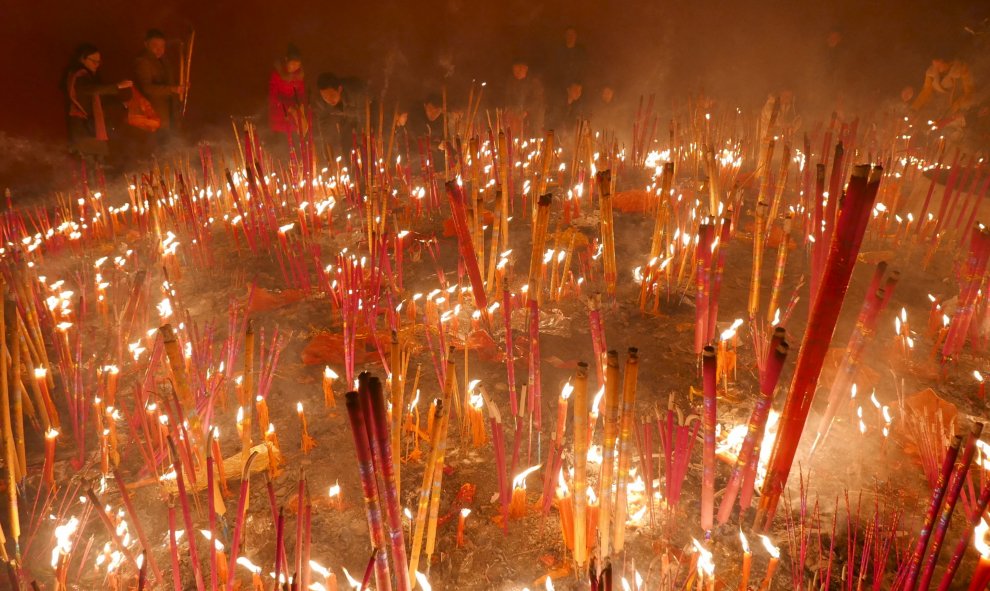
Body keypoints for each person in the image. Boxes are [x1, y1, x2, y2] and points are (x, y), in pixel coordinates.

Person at [64, 44, 133, 163]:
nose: (96, 64)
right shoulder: (78, 76)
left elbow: (102, 99)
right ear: (82, 59)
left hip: (93, 127)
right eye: (93, 61)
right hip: (82, 127)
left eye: (99, 61)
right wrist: (117, 86)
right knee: (86, 163)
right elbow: (92, 90)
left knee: (98, 163)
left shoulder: (93, 76)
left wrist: (122, 104)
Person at [134, 29, 181, 143]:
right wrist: (172, 89)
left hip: (167, 116)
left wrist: (179, 87)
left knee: (168, 147)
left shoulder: (164, 61)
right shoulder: (143, 61)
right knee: (156, 150)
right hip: (152, 116)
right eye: (155, 45)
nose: (159, 50)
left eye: (162, 46)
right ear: (146, 44)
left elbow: (168, 82)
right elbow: (147, 88)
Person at [312, 72, 366, 160]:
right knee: (346, 148)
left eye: (332, 95)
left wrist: (362, 139)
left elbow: (364, 116)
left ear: (340, 89)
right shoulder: (321, 103)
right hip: (345, 121)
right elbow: (323, 126)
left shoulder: (356, 93)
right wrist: (327, 149)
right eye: (325, 97)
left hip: (366, 116)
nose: (329, 99)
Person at [912, 58, 975, 124]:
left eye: (939, 66)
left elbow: (970, 93)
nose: (936, 68)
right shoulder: (931, 73)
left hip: (955, 109)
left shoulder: (961, 71)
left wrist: (959, 108)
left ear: (947, 62)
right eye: (934, 65)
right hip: (936, 108)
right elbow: (926, 91)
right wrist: (914, 108)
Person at [268, 44, 307, 136]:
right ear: (286, 60)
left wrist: (301, 108)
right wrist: (289, 109)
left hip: (295, 119)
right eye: (293, 64)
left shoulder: (299, 76)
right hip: (280, 115)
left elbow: (301, 94)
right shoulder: (276, 75)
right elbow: (273, 97)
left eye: (297, 65)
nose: (295, 67)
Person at [504, 57, 545, 136]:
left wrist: (526, 111)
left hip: (534, 116)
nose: (517, 73)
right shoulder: (511, 81)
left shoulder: (534, 82)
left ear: (525, 69)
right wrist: (509, 109)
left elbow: (537, 100)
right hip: (518, 115)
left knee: (534, 135)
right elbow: (509, 97)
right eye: (514, 71)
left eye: (519, 70)